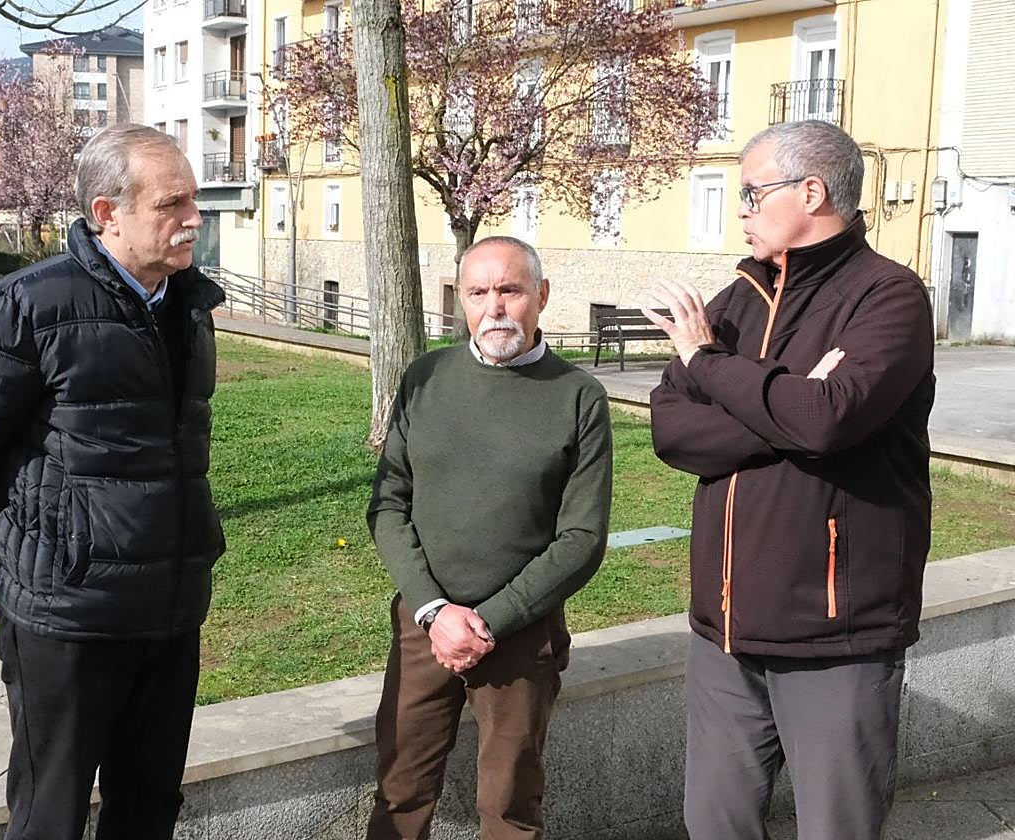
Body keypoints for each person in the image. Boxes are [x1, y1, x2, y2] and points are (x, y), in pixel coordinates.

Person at [0, 124, 226, 840]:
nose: (193, 217)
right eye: (172, 202)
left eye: (193, 199)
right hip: (66, 621)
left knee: (148, 809)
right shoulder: (24, 308)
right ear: (108, 214)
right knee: (51, 814)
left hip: (169, 614)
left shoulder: (190, 307)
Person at [643, 119, 935, 840]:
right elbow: (670, 428)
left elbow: (828, 419)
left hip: (836, 634)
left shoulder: (889, 298)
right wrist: (788, 410)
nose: (739, 210)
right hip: (726, 631)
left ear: (812, 191)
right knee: (714, 825)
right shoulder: (736, 301)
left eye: (750, 193)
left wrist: (712, 367)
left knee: (837, 828)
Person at [365, 235, 613, 839]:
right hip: (424, 625)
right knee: (400, 790)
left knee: (510, 805)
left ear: (541, 296)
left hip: (521, 633)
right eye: (477, 292)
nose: (494, 307)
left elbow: (582, 537)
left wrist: (490, 620)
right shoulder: (426, 377)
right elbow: (388, 504)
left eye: (510, 290)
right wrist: (433, 610)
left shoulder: (579, 396)